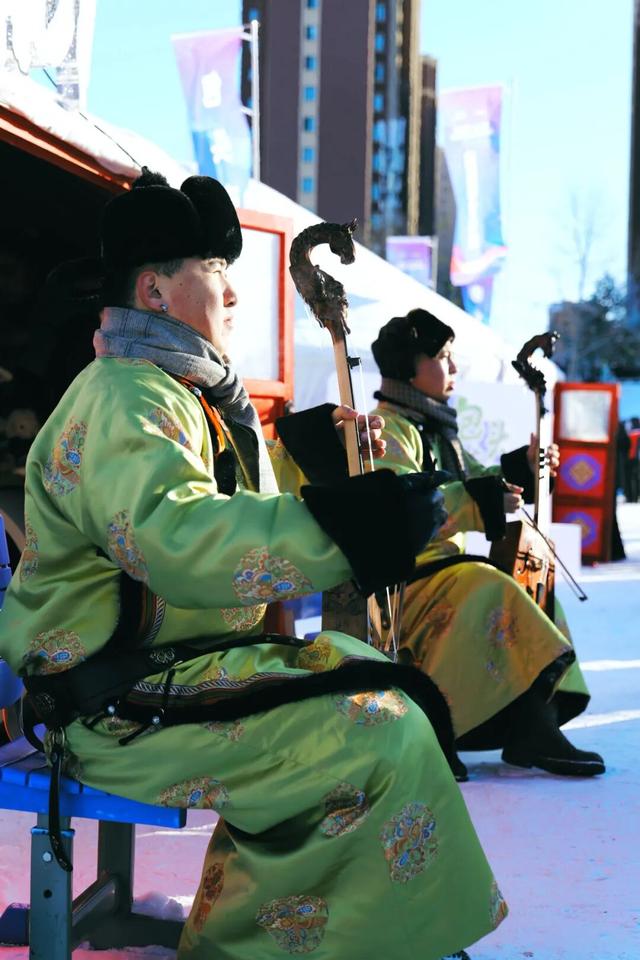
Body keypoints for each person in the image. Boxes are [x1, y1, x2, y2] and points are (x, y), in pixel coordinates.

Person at [0, 172, 507, 960]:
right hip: (110, 704)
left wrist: (331, 479)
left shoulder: (187, 394)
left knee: (378, 690)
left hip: (172, 672)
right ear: (156, 291)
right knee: (370, 732)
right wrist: (336, 527)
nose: (234, 293)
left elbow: (248, 514)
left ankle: (305, 935)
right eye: (217, 271)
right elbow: (175, 536)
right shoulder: (126, 396)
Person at [370, 308, 605, 780]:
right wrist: (480, 496)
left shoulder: (434, 428)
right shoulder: (387, 429)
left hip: (443, 574)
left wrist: (520, 469)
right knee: (489, 583)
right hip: (403, 582)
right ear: (409, 366)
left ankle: (532, 720)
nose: (453, 369)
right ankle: (523, 725)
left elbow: (476, 479)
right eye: (442, 357)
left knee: (530, 582)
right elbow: (404, 507)